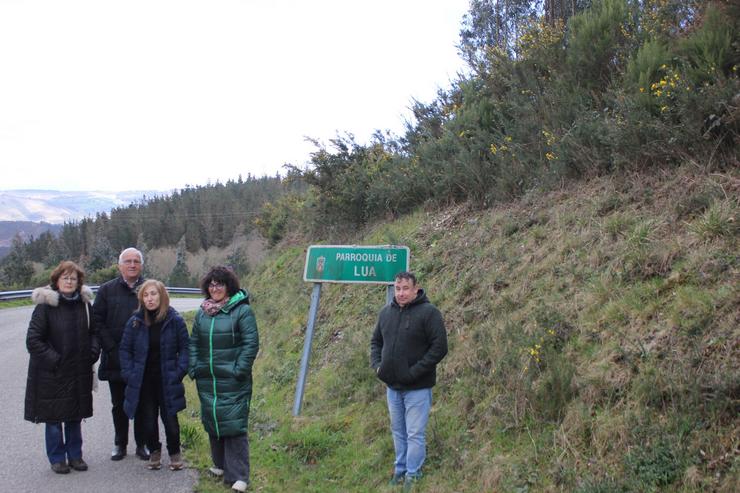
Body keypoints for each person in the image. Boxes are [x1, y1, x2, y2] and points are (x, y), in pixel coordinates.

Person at [370, 272, 448, 490]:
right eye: (398, 288)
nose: (401, 293)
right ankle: (400, 469)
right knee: (398, 431)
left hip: (418, 388)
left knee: (414, 433)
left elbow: (440, 348)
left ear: (416, 289)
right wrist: (378, 367)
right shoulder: (386, 313)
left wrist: (415, 372)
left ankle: (413, 474)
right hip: (392, 388)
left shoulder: (429, 313)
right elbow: (375, 342)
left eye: (405, 288)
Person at [24, 261, 101, 474]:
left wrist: (92, 353)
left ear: (79, 282)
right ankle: (57, 457)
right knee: (54, 418)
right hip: (53, 373)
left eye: (73, 278)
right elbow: (33, 341)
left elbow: (94, 333)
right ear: (57, 280)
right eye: (65, 277)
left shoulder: (84, 305)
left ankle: (75, 455)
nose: (69, 281)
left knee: (75, 415)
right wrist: (56, 360)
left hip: (78, 371)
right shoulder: (45, 306)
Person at [189, 266, 259, 493]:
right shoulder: (202, 312)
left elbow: (251, 344)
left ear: (229, 286)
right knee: (213, 420)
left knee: (234, 423)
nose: (215, 288)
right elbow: (194, 343)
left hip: (232, 377)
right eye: (211, 284)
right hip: (208, 378)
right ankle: (219, 465)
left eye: (220, 284)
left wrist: (240, 370)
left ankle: (239, 475)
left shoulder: (242, 311)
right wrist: (194, 367)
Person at [119, 280, 189, 471]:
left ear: (162, 296)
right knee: (148, 421)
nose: (150, 299)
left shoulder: (174, 320)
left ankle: (175, 453)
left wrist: (179, 371)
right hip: (143, 381)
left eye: (153, 294)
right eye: (146, 295)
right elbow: (125, 350)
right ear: (142, 299)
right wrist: (129, 373)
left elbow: (185, 348)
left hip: (167, 379)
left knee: (171, 421)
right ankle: (154, 451)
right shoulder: (135, 322)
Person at [92, 247, 154, 461]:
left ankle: (142, 444)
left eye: (136, 261)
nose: (132, 265)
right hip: (115, 357)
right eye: (127, 261)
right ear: (120, 266)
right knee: (118, 404)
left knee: (142, 402)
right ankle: (120, 443)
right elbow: (97, 322)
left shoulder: (150, 289)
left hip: (143, 359)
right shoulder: (106, 290)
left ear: (142, 265)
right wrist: (111, 348)